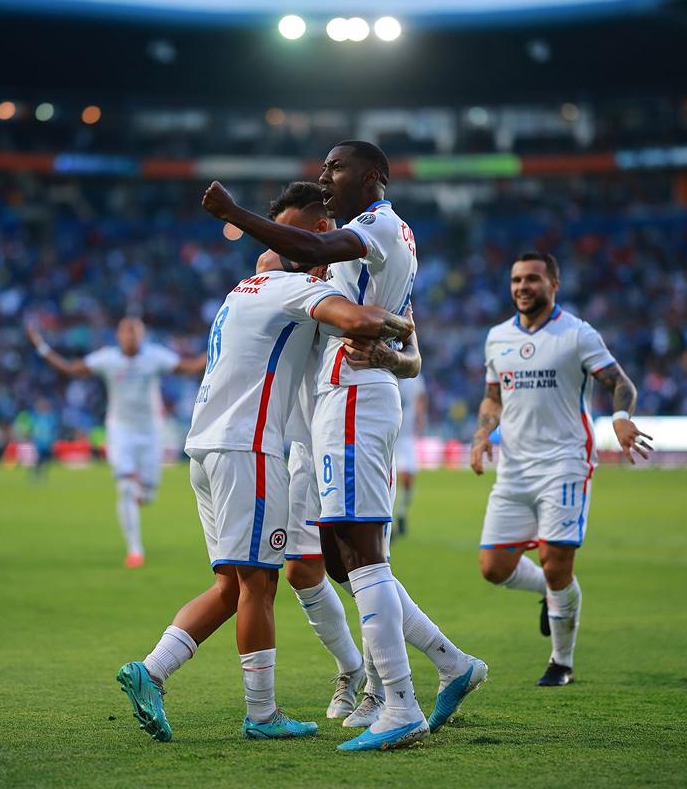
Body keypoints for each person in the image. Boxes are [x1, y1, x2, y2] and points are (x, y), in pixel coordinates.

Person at [202, 141, 486, 751]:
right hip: (337, 408)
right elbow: (407, 344)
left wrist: (233, 211)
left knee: (361, 558)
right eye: (324, 169)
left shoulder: (372, 226)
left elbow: (314, 250)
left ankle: (396, 700)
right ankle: (450, 665)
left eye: (337, 168)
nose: (325, 176)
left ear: (374, 177)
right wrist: (388, 352)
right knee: (339, 560)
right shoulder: (381, 241)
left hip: (350, 401)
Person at [116, 242, 414, 743]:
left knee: (231, 586)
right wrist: (403, 324)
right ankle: (261, 713)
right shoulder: (293, 290)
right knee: (261, 585)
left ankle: (152, 672)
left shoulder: (238, 294)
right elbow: (357, 319)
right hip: (248, 449)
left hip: (206, 448)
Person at [470, 251, 653, 687]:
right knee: (493, 567)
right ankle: (550, 595)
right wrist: (481, 435)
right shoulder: (497, 337)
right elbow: (493, 396)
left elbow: (619, 382)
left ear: (554, 284)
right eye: (516, 280)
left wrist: (621, 419)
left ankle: (561, 663)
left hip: (565, 462)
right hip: (514, 468)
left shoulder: (577, 334)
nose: (522, 287)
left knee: (556, 560)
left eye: (532, 279)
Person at [27, 318, 206, 567]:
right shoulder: (107, 359)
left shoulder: (155, 357)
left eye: (135, 332)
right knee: (126, 487)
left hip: (151, 432)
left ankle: (141, 492)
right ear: (119, 335)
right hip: (120, 431)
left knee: (147, 495)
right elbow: (70, 368)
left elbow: (190, 366)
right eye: (126, 332)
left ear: (142, 335)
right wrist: (42, 347)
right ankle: (135, 550)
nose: (131, 336)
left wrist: (224, 345)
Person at [392, 374, 428, 537]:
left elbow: (420, 398)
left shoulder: (415, 378)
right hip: (390, 436)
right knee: (391, 479)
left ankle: (401, 513)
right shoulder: (387, 372)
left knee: (408, 479)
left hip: (406, 436)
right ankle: (388, 522)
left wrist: (420, 419)